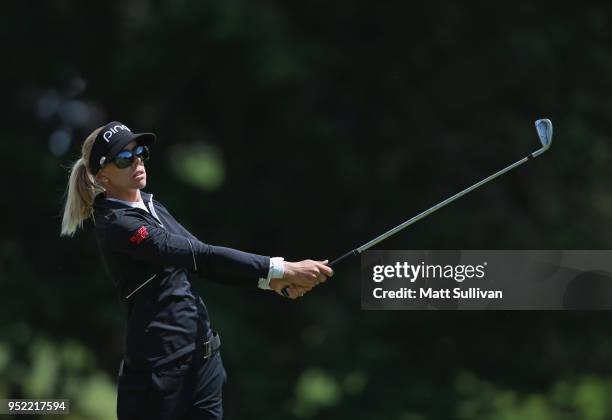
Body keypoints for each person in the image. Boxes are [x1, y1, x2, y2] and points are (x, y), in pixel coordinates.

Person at [59, 121, 334, 419]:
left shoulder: (151, 206)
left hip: (203, 363)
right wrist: (282, 267)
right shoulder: (119, 224)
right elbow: (200, 255)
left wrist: (271, 281)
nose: (137, 161)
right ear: (102, 175)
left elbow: (201, 262)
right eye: (124, 159)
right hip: (160, 375)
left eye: (139, 152)